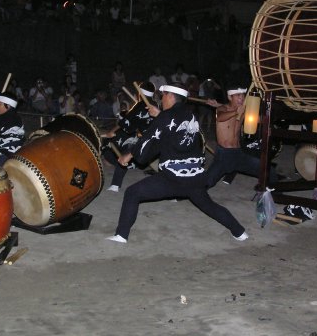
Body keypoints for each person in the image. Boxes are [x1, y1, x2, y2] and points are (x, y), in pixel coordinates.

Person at [106, 83, 247, 243]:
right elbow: (174, 130)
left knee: (132, 193)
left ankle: (121, 235)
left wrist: (129, 155)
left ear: (171, 96)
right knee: (210, 206)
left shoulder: (166, 117)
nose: (162, 98)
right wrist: (160, 116)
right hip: (195, 177)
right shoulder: (190, 115)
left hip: (173, 178)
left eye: (164, 95)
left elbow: (149, 140)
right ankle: (239, 231)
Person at [204, 86, 277, 189]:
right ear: (230, 97)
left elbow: (260, 119)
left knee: (267, 170)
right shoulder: (222, 108)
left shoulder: (243, 112)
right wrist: (236, 112)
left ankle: (274, 194)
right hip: (224, 155)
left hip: (238, 154)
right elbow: (220, 117)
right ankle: (181, 194)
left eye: (243, 96)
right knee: (207, 182)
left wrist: (268, 123)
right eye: (238, 96)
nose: (241, 98)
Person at [102, 82, 156, 193]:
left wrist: (110, 132)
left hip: (142, 139)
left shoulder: (140, 105)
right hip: (154, 138)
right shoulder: (155, 104)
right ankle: (132, 163)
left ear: (139, 93)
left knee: (125, 149)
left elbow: (125, 121)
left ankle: (115, 185)